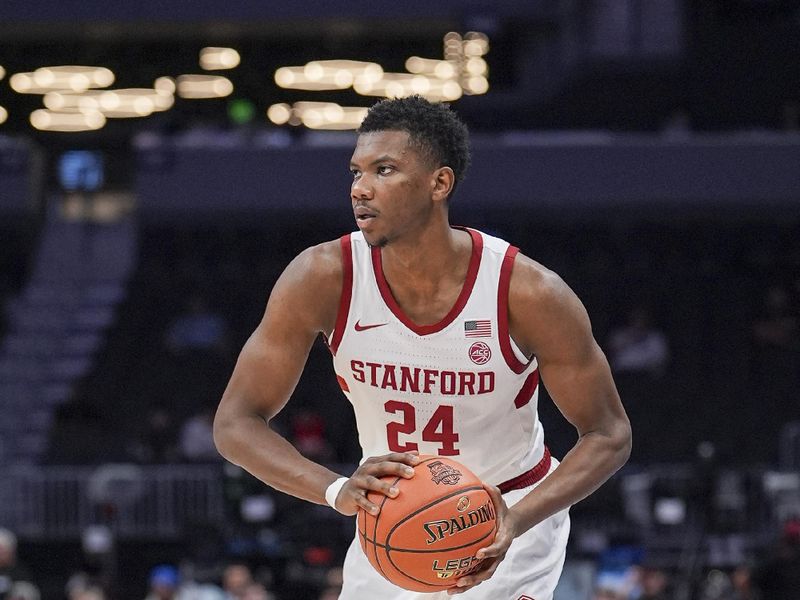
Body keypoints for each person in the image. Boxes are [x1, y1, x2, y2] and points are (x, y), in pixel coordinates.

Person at [213, 96, 631, 599]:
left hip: (506, 515)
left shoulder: (527, 292)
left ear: (440, 183)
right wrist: (335, 489)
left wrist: (517, 519)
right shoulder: (323, 277)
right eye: (355, 172)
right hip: (391, 523)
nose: (360, 189)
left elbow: (608, 433)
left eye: (384, 170)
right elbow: (235, 423)